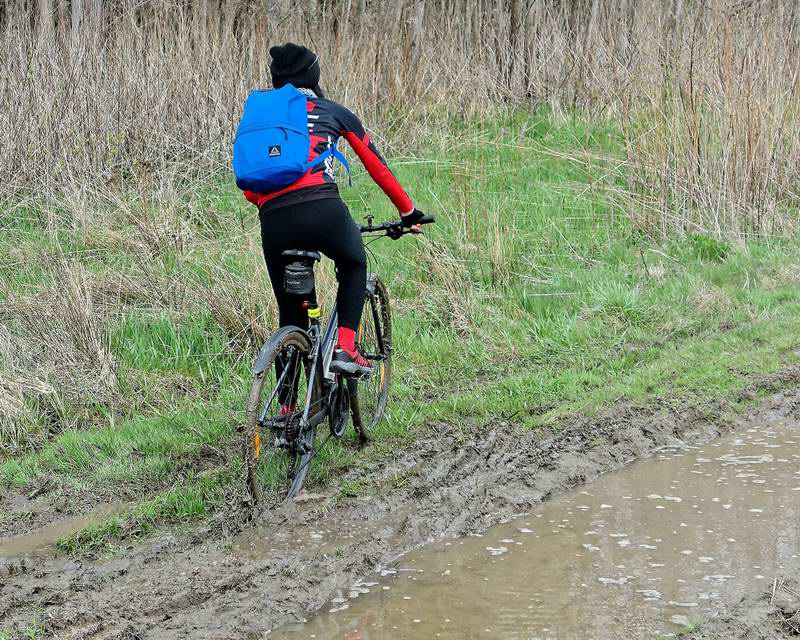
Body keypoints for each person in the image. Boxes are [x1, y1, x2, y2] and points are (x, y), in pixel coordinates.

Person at [244, 42, 424, 378]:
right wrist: (408, 211)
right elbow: (377, 167)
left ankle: (286, 408)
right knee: (354, 262)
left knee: (290, 316)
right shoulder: (333, 111)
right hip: (323, 209)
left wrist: (271, 203)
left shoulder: (263, 120)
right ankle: (346, 347)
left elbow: (249, 184)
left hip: (274, 221)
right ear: (312, 75)